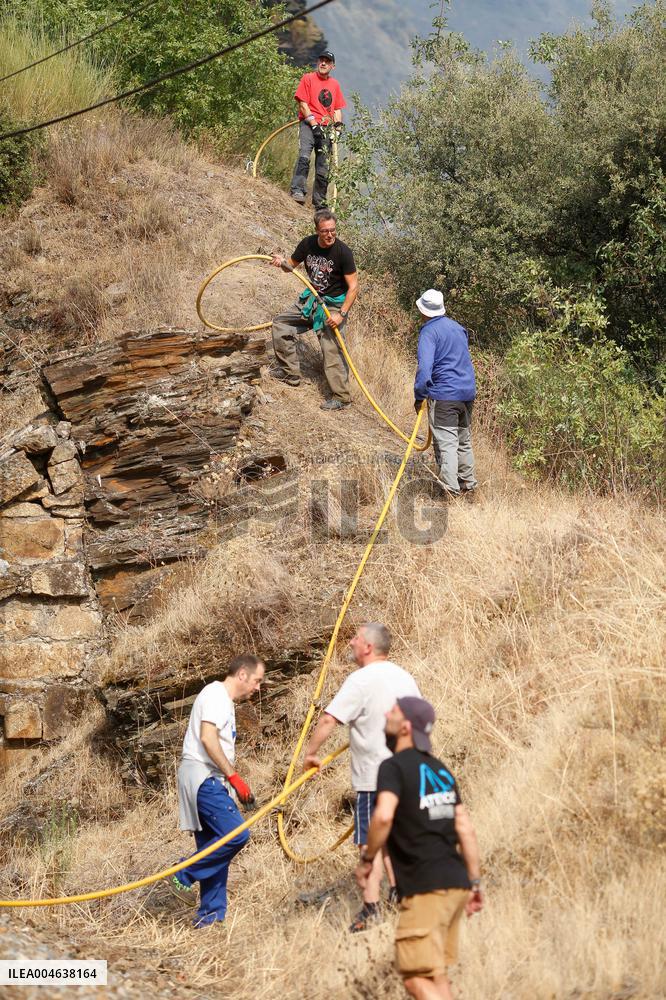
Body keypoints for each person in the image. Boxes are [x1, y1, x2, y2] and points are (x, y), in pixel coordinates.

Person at [355, 698, 483, 1000]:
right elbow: (464, 827)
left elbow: (384, 816)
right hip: (456, 884)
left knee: (414, 979)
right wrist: (475, 882)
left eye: (394, 711)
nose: (387, 713)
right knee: (434, 973)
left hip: (426, 887)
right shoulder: (440, 770)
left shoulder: (393, 767)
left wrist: (367, 859)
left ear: (405, 727)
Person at [303, 623, 420, 931]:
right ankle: (400, 892)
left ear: (368, 647)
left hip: (375, 778)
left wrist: (310, 754)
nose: (351, 643)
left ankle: (371, 908)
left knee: (370, 844)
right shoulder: (404, 676)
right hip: (409, 773)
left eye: (355, 638)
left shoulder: (360, 680)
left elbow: (329, 720)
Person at [173, 654, 265, 927]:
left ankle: (210, 918)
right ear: (242, 675)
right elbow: (207, 738)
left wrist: (233, 787)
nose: (258, 688)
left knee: (215, 849)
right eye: (257, 681)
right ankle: (182, 874)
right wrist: (234, 778)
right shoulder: (215, 695)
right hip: (203, 778)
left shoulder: (224, 702)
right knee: (237, 835)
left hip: (207, 779)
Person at [270, 209, 358, 411]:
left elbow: (354, 287)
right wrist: (281, 262)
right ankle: (290, 373)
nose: (330, 235)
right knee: (281, 323)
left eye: (333, 231)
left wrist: (341, 313)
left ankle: (342, 398)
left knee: (332, 348)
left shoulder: (343, 252)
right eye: (325, 231)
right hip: (312, 299)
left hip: (334, 305)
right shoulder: (307, 244)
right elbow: (289, 266)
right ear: (317, 230)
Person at [413, 289, 477, 498]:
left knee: (447, 443)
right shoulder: (458, 328)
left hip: (445, 395)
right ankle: (468, 484)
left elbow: (424, 369)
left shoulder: (429, 332)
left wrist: (419, 395)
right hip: (466, 393)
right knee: (463, 440)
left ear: (423, 311)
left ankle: (450, 491)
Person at [290, 50, 346, 209]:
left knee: (324, 166)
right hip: (309, 125)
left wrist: (338, 128)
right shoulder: (308, 78)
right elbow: (303, 103)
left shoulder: (334, 85)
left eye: (327, 61)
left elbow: (337, 109)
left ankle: (320, 202)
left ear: (332, 66)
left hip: (327, 128)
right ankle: (297, 191)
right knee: (304, 157)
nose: (323, 63)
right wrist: (313, 124)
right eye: (321, 60)